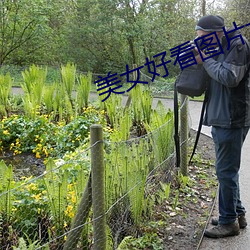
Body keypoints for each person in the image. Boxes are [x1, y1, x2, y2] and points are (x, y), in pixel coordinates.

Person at [194, 15, 250, 238]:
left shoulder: (238, 45)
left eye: (202, 39)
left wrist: (205, 59)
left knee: (225, 171)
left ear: (217, 33)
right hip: (222, 116)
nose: (200, 43)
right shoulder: (221, 45)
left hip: (232, 117)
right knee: (228, 170)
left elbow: (229, 77)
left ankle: (228, 223)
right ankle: (237, 214)